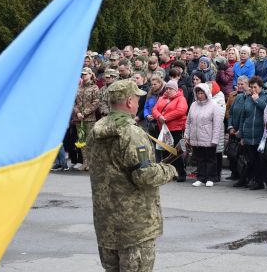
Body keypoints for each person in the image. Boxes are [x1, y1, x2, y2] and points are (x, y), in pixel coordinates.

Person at [88, 79, 177, 272]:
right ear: (129, 102)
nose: (138, 104)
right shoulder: (131, 134)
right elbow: (144, 176)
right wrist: (168, 170)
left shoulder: (95, 132)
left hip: (106, 225)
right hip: (134, 227)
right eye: (137, 99)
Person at [230, 76, 267, 190]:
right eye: (251, 87)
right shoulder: (248, 98)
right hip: (248, 133)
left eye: (255, 87)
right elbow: (244, 116)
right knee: (251, 160)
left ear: (260, 87)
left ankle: (261, 182)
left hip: (261, 133)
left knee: (261, 160)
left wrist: (257, 100)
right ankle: (251, 180)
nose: (253, 89)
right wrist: (242, 135)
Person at [184, 83, 224, 187]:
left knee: (210, 159)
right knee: (199, 158)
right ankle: (201, 177)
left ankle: (211, 177)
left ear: (206, 93)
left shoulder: (214, 105)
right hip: (196, 137)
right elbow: (188, 121)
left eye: (201, 93)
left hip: (208, 137)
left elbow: (217, 124)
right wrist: (187, 135)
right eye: (198, 93)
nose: (199, 95)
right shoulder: (193, 105)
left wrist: (215, 139)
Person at [152, 79, 188, 182]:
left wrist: (165, 118)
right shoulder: (161, 98)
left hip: (175, 129)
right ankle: (169, 173)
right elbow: (155, 110)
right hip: (163, 129)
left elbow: (181, 111)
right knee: (165, 152)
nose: (168, 90)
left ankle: (181, 173)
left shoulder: (181, 99)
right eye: (167, 88)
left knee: (176, 152)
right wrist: (159, 117)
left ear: (175, 90)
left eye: (170, 89)